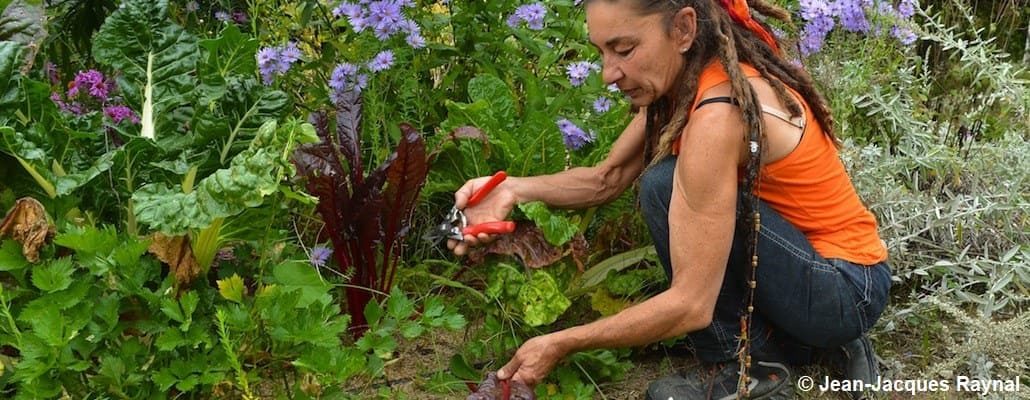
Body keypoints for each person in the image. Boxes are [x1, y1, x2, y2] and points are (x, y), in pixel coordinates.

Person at [448, 0, 892, 398]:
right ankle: (795, 338)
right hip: (814, 265)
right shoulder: (691, 78)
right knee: (662, 181)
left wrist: (563, 342)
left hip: (844, 287)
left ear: (682, 29)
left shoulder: (718, 116)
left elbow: (690, 305)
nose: (608, 73)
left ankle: (750, 370)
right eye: (601, 51)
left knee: (664, 183)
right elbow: (606, 178)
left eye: (623, 50)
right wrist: (510, 189)